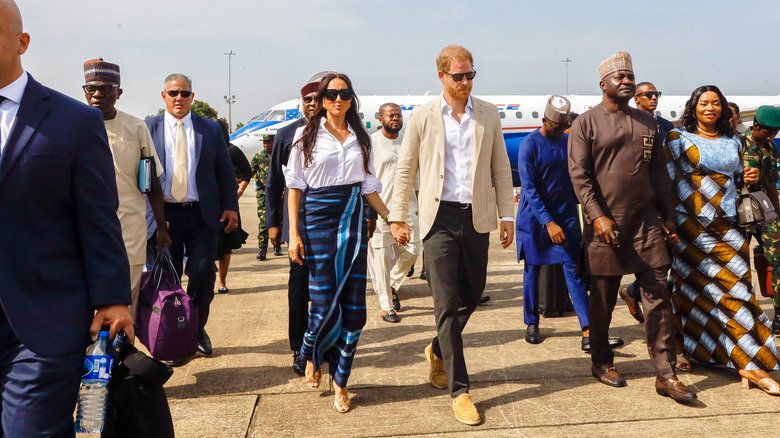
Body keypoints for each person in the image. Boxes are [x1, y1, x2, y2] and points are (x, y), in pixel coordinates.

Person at [0, 1, 134, 434]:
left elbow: (98, 217)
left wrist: (113, 298)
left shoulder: (73, 122)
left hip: (41, 323)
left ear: (22, 42)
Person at [389, 45, 515, 425]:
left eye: (470, 75)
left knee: (472, 296)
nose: (465, 82)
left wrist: (507, 215)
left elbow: (501, 168)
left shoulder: (488, 114)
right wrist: (397, 217)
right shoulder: (424, 116)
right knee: (444, 304)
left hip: (476, 218)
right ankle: (460, 391)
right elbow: (406, 168)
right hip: (438, 219)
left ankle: (437, 350)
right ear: (441, 75)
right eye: (458, 76)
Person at [568, 51, 695, 401]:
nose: (626, 81)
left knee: (659, 298)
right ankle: (601, 360)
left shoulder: (647, 122)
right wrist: (597, 215)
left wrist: (668, 212)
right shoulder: (586, 123)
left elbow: (658, 174)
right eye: (619, 76)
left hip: (646, 224)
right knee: (603, 302)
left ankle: (665, 374)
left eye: (630, 76)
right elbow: (579, 175)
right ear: (603, 84)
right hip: (606, 227)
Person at [285, 73, 389, 414]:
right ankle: (310, 350)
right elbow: (295, 186)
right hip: (316, 222)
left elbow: (369, 184)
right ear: (322, 99)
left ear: (351, 98)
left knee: (355, 310)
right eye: (331, 94)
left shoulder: (363, 138)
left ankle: (341, 382)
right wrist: (294, 234)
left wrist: (392, 218)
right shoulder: (305, 135)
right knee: (323, 301)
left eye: (344, 93)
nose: (337, 99)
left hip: (353, 222)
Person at [667, 87, 780, 395]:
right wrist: (666, 222)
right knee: (689, 291)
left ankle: (752, 365)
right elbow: (664, 182)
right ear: (694, 107)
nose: (710, 108)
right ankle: (685, 349)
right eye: (704, 103)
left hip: (729, 224)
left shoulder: (735, 140)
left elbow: (738, 176)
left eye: (715, 103)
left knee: (738, 293)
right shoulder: (677, 140)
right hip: (690, 226)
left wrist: (748, 176)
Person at [516, 96, 623, 351]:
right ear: (544, 120)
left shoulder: (568, 142)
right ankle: (532, 323)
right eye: (555, 126)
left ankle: (589, 330)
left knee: (574, 270)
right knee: (533, 270)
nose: (559, 131)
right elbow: (529, 189)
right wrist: (548, 223)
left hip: (566, 216)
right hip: (535, 219)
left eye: (563, 127)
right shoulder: (529, 145)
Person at [145, 73, 238, 363]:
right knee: (167, 280)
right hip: (165, 216)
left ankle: (196, 329)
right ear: (163, 96)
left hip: (202, 215)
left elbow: (224, 170)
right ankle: (173, 334)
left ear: (192, 97)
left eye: (185, 93)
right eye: (173, 93)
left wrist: (231, 206)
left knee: (201, 274)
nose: (179, 98)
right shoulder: (148, 128)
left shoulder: (209, 129)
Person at [81, 58, 171, 318]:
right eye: (91, 88)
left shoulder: (136, 127)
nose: (98, 94)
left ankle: (121, 356)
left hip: (129, 228)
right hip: (86, 228)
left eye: (106, 88)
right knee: (87, 302)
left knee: (126, 301)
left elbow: (151, 181)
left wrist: (162, 228)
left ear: (119, 92)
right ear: (84, 91)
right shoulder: (73, 125)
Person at [265, 80, 319, 376]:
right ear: (301, 103)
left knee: (327, 287)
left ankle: (323, 343)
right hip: (296, 223)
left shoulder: (335, 132)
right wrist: (272, 223)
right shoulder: (287, 135)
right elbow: (274, 182)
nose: (313, 103)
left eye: (317, 99)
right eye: (307, 99)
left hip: (329, 221)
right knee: (298, 286)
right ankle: (299, 348)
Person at [619, 81, 676, 323]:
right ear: (636, 99)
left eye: (656, 94)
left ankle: (632, 292)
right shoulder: (628, 124)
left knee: (671, 255)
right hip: (641, 200)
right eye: (648, 94)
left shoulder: (666, 126)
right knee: (650, 257)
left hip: (666, 196)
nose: (654, 98)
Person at [371, 103, 420, 323]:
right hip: (382, 208)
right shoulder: (371, 143)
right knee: (381, 257)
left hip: (408, 207)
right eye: (391, 115)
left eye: (399, 115)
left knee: (414, 249)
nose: (396, 118)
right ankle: (386, 306)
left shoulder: (409, 141)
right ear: (380, 119)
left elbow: (417, 175)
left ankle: (392, 282)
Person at [742, 106, 780, 336]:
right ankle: (743, 317)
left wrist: (778, 213)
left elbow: (772, 185)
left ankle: (779, 319)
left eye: (775, 132)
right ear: (756, 126)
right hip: (741, 213)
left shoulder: (771, 147)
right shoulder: (738, 143)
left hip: (764, 211)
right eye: (768, 132)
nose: (771, 136)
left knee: (778, 259)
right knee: (737, 266)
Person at [215, 118, 251, 293]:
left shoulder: (232, 150)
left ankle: (222, 281)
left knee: (226, 243)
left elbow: (247, 172)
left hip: (228, 204)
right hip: (208, 204)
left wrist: (240, 191)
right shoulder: (202, 149)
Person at [251, 134, 274, 260]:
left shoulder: (279, 155)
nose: (266, 145)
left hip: (277, 193)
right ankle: (262, 248)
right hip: (262, 193)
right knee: (263, 220)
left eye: (269, 143)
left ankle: (277, 246)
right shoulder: (258, 157)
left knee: (280, 220)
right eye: (264, 143)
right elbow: (250, 172)